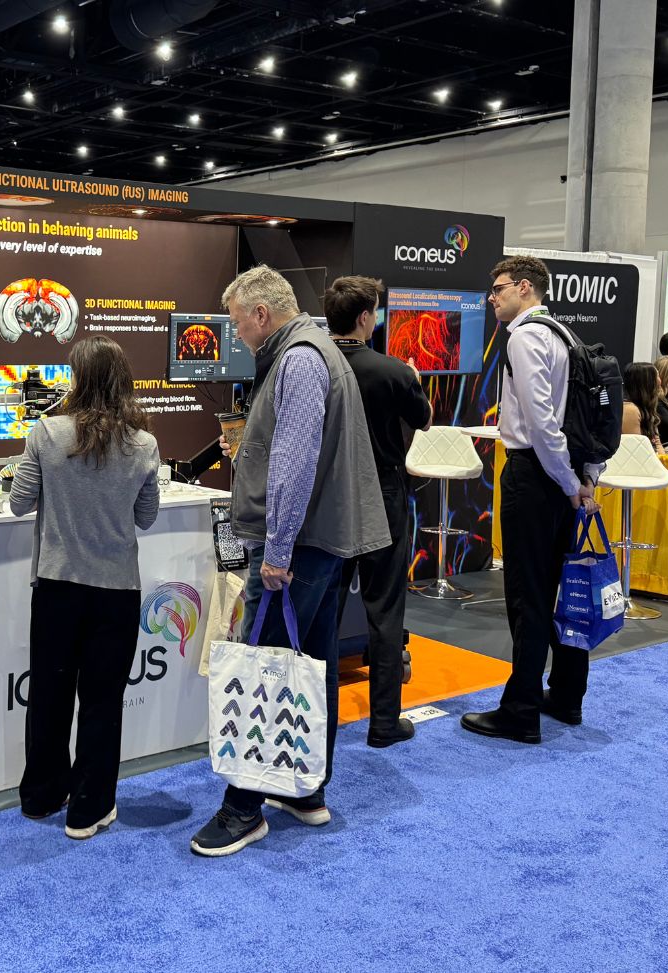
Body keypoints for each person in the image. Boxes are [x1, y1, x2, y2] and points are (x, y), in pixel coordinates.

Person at [190, 265, 390, 857]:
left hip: (298, 548)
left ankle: (243, 808)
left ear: (261, 314)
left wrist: (277, 550)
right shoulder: (311, 350)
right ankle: (305, 788)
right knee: (312, 663)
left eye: (236, 323)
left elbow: (295, 464)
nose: (235, 334)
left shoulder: (299, 359)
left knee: (266, 666)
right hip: (318, 542)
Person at [9, 335, 160, 840]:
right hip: (116, 591)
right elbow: (146, 517)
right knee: (102, 701)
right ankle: (89, 808)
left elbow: (18, 502)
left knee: (49, 695)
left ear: (77, 379)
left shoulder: (47, 433)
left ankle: (41, 795)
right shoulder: (143, 444)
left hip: (57, 587)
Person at [461, 255, 600, 745]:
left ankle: (520, 711)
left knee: (529, 597)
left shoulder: (524, 336)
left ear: (524, 287)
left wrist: (567, 482)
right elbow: (586, 419)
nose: (492, 298)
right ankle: (565, 697)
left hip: (536, 476)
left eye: (498, 288)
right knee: (562, 590)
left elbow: (542, 423)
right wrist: (583, 480)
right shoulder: (565, 335)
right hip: (563, 477)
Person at [324, 275, 432, 749]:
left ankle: (316, 721)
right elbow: (424, 419)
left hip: (329, 498)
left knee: (323, 613)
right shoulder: (393, 371)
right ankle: (384, 723)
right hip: (384, 495)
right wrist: (414, 381)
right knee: (385, 611)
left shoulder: (312, 366)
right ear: (365, 317)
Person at [622, 361, 663, 453]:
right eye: (657, 376)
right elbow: (635, 450)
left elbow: (657, 444)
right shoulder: (630, 410)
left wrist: (663, 459)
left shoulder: (647, 408)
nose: (660, 381)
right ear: (647, 382)